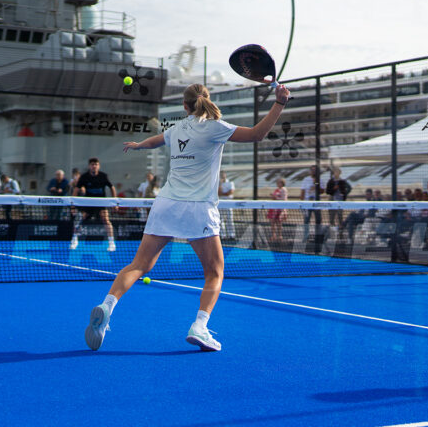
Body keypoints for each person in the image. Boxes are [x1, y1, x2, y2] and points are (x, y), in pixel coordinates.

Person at [84, 82, 289, 352]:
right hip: (197, 208)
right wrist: (279, 103)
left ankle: (107, 305)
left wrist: (137, 146)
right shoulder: (217, 127)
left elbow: (155, 142)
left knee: (138, 266)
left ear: (184, 106)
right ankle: (200, 327)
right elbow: (257, 134)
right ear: (206, 101)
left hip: (166, 204)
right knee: (214, 272)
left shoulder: (176, 128)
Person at [72, 158, 117, 251]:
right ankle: (74, 240)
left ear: (98, 166)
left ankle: (111, 243)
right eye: (92, 164)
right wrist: (72, 205)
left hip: (101, 203)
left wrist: (114, 203)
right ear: (89, 166)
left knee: (106, 220)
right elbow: (76, 190)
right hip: (88, 203)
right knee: (79, 219)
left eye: (96, 164)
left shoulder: (103, 176)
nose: (94, 166)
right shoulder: (84, 177)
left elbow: (112, 188)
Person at [299, 166, 321, 243]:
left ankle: (318, 237)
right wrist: (301, 204)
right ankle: (306, 237)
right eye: (312, 170)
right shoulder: (306, 180)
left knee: (318, 220)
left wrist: (316, 185)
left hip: (317, 204)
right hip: (307, 204)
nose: (313, 171)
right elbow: (302, 192)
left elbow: (322, 191)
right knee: (306, 220)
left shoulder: (320, 180)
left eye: (315, 170)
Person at [267, 177, 288, 243]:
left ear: (282, 183)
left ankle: (280, 236)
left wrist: (275, 198)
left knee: (279, 222)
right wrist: (273, 197)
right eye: (277, 182)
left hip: (280, 208)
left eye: (279, 182)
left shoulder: (283, 190)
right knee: (273, 222)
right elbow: (275, 199)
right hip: (274, 208)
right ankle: (273, 235)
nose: (277, 183)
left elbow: (284, 200)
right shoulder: (277, 190)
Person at [218, 170, 235, 239]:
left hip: (229, 203)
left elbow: (230, 192)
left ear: (225, 175)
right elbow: (218, 193)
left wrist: (223, 194)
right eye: (221, 174)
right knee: (220, 219)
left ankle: (231, 235)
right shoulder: (218, 183)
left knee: (229, 218)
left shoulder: (230, 182)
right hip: (221, 203)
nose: (222, 175)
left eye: (223, 174)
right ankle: (222, 235)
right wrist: (220, 184)